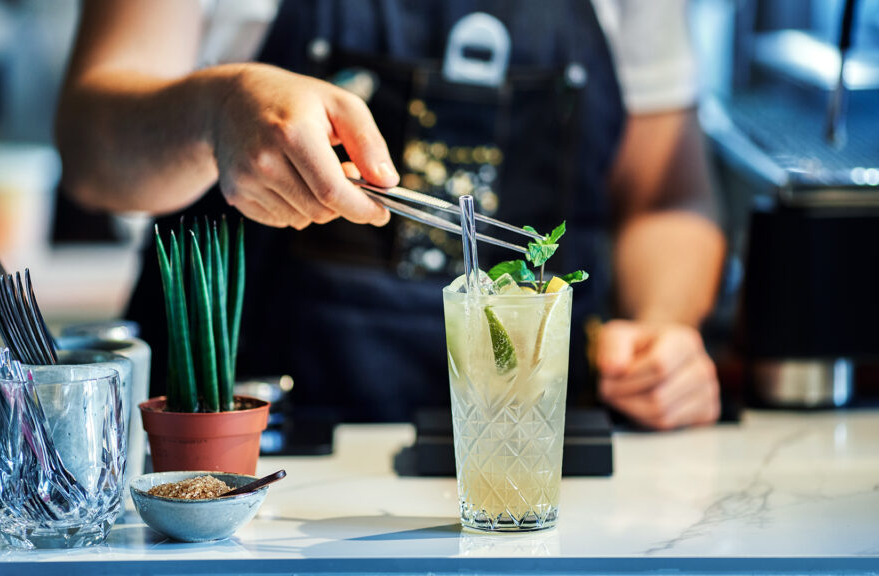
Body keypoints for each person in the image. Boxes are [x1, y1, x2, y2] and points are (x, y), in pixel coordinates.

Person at [56, 0, 725, 429]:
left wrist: (663, 330)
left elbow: (666, 196)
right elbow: (91, 149)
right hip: (235, 459)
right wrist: (213, 111)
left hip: (539, 466)